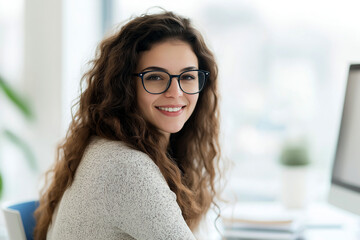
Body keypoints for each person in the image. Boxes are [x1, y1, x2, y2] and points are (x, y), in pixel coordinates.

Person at [34, 10, 221, 240]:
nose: (176, 93)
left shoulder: (106, 147)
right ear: (124, 86)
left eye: (188, 77)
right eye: (155, 77)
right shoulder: (127, 168)